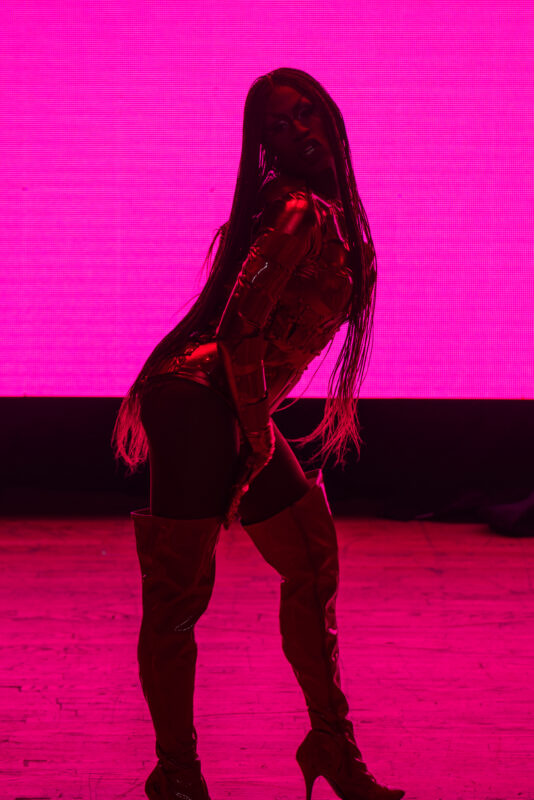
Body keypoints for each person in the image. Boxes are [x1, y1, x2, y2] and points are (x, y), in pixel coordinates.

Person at [112, 68, 405, 800]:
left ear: (329, 116)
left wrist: (252, 425)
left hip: (231, 402)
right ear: (265, 148)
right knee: (178, 595)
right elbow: (239, 330)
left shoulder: (334, 215)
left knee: (311, 559)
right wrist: (256, 431)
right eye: (278, 125)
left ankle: (331, 744)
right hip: (197, 398)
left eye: (306, 113)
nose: (299, 130)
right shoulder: (299, 211)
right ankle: (177, 775)